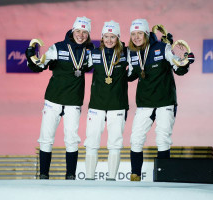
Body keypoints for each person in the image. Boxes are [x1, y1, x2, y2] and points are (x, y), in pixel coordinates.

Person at [25, 16, 94, 180]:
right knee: (46, 139)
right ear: (73, 30)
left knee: (71, 139)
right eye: (78, 31)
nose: (81, 35)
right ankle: (43, 175)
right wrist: (30, 56)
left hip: (73, 102)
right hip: (53, 101)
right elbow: (39, 66)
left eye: (85, 32)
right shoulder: (57, 48)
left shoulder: (90, 52)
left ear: (88, 34)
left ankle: (70, 176)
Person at [127, 19, 195, 181]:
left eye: (139, 33)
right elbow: (130, 76)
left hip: (165, 102)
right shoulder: (132, 52)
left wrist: (186, 62)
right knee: (136, 138)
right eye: (133, 34)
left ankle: (164, 177)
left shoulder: (163, 47)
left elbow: (178, 69)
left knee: (162, 138)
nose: (136, 37)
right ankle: (135, 175)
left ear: (146, 33)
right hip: (145, 103)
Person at [83, 20, 129, 181]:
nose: (109, 40)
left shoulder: (126, 53)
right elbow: (79, 66)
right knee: (91, 143)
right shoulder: (94, 53)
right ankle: (89, 178)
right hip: (96, 105)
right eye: (106, 36)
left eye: (113, 37)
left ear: (118, 37)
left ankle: (111, 179)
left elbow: (144, 52)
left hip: (118, 105)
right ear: (102, 37)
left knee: (115, 143)